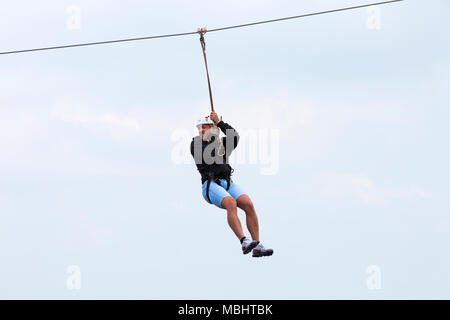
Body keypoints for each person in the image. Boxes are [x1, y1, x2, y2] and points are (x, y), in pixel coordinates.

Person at [190, 111, 273, 257]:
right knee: (231, 203)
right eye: (200, 128)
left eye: (205, 127)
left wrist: (220, 124)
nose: (202, 130)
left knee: (248, 204)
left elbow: (234, 136)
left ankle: (257, 245)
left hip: (226, 182)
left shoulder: (220, 142)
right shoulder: (196, 144)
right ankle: (243, 241)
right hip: (210, 185)